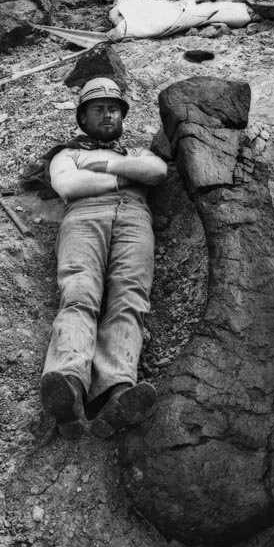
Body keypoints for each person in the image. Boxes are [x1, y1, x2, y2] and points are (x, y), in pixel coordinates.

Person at [40, 77, 167, 440]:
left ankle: (116, 391)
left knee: (130, 297)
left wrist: (105, 167)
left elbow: (157, 172)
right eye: (98, 109)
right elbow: (68, 186)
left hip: (135, 220)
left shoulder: (137, 152)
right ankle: (68, 384)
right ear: (82, 117)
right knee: (80, 292)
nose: (108, 114)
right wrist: (126, 177)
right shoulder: (67, 153)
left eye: (114, 108)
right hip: (83, 218)